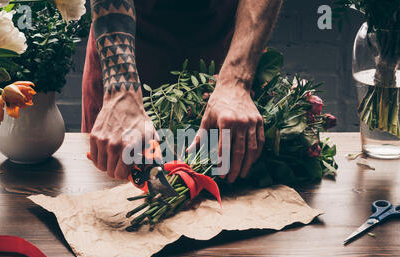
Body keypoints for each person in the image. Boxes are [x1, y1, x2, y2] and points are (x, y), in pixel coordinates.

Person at [82, 0, 282, 183]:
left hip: (230, 45)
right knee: (108, 182)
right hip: (124, 50)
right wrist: (121, 92)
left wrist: (236, 81)